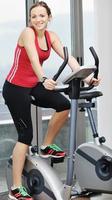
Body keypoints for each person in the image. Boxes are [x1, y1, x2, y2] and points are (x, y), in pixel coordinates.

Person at [2, 1, 100, 200]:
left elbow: (70, 58)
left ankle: (46, 146)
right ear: (30, 19)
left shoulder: (51, 37)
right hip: (15, 87)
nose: (38, 19)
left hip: (33, 85)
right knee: (25, 136)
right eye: (34, 16)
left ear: (49, 18)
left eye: (42, 16)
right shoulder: (27, 33)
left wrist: (88, 77)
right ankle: (15, 188)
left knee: (63, 105)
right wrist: (44, 79)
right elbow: (34, 59)